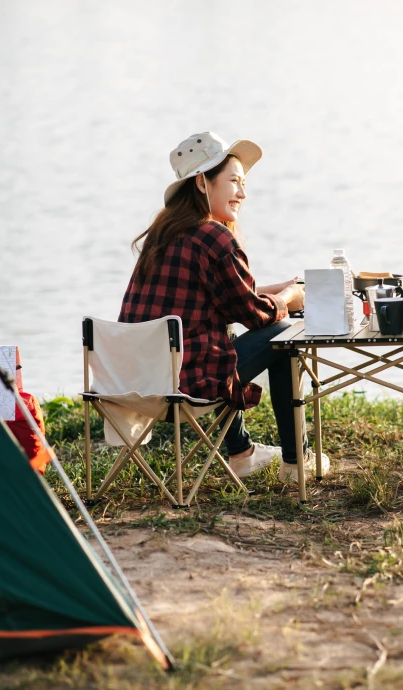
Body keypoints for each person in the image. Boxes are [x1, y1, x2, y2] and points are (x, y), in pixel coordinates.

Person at [119, 132, 330, 480]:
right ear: (203, 183)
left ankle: (242, 453)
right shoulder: (215, 236)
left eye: (244, 183)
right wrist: (290, 298)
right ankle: (296, 462)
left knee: (225, 335)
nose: (243, 194)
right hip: (186, 386)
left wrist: (274, 290)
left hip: (139, 381)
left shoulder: (164, 232)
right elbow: (255, 315)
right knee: (283, 334)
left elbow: (206, 298)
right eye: (234, 182)